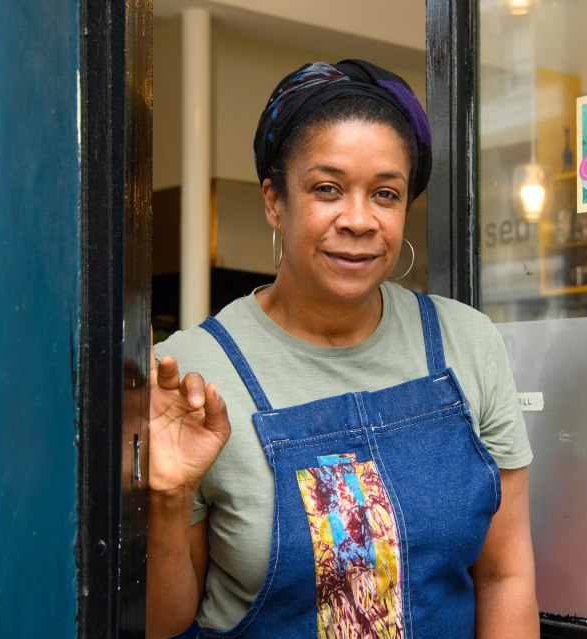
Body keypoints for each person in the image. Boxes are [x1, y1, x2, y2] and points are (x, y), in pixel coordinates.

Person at [147, 59, 538, 639]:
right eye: (326, 189)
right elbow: (161, 624)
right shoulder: (195, 374)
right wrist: (168, 498)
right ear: (275, 201)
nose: (359, 220)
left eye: (385, 194)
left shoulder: (465, 343)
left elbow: (505, 576)